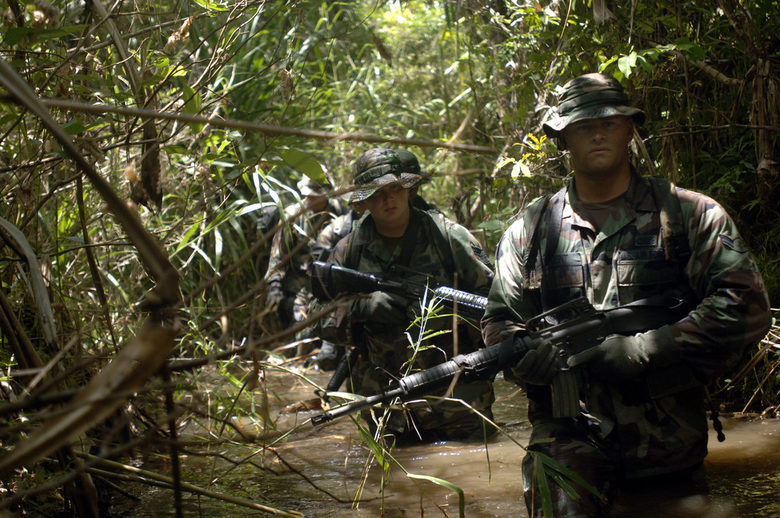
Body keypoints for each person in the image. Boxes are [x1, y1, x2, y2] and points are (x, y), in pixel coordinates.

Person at [481, 73, 772, 517]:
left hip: (667, 440)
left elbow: (747, 307)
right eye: (582, 126)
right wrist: (524, 359)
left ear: (630, 129)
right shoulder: (530, 230)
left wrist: (645, 349)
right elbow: (499, 320)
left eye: (610, 122)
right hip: (565, 439)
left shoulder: (689, 214)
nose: (598, 133)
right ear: (562, 138)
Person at [315, 147, 496, 442]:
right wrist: (361, 309)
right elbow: (315, 316)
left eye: (394, 189)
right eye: (376, 192)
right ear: (363, 200)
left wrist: (447, 320)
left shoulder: (449, 238)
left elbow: (496, 308)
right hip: (386, 409)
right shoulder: (348, 251)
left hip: (459, 404)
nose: (387, 199)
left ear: (408, 189)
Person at [264, 175, 347, 357]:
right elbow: (278, 255)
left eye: (314, 196)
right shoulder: (292, 216)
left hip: (333, 281)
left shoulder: (340, 213)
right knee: (302, 325)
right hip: (301, 282)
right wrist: (274, 284)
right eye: (306, 195)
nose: (309, 199)